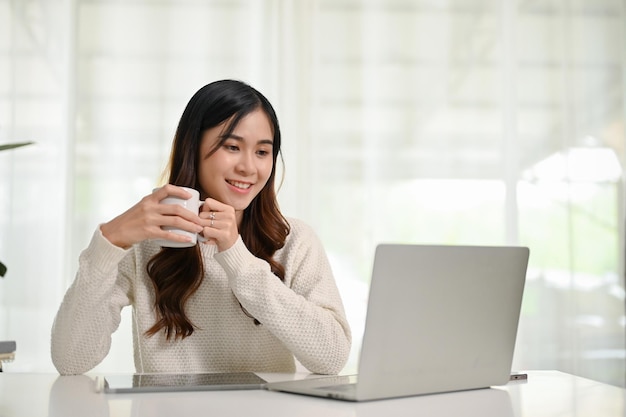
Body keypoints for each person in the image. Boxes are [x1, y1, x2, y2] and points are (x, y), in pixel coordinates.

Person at [51, 79, 351, 375]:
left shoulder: (293, 241)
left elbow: (332, 357)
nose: (248, 167)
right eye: (232, 147)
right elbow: (71, 359)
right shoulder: (146, 243)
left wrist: (237, 256)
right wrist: (110, 241)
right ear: (192, 148)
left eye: (262, 152)